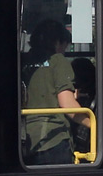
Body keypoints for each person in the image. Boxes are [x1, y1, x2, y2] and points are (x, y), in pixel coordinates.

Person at [23, 20, 85, 165]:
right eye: (65, 47)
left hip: (25, 139)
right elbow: (67, 105)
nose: (64, 51)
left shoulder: (21, 61)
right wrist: (94, 124)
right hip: (53, 139)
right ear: (57, 42)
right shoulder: (58, 60)